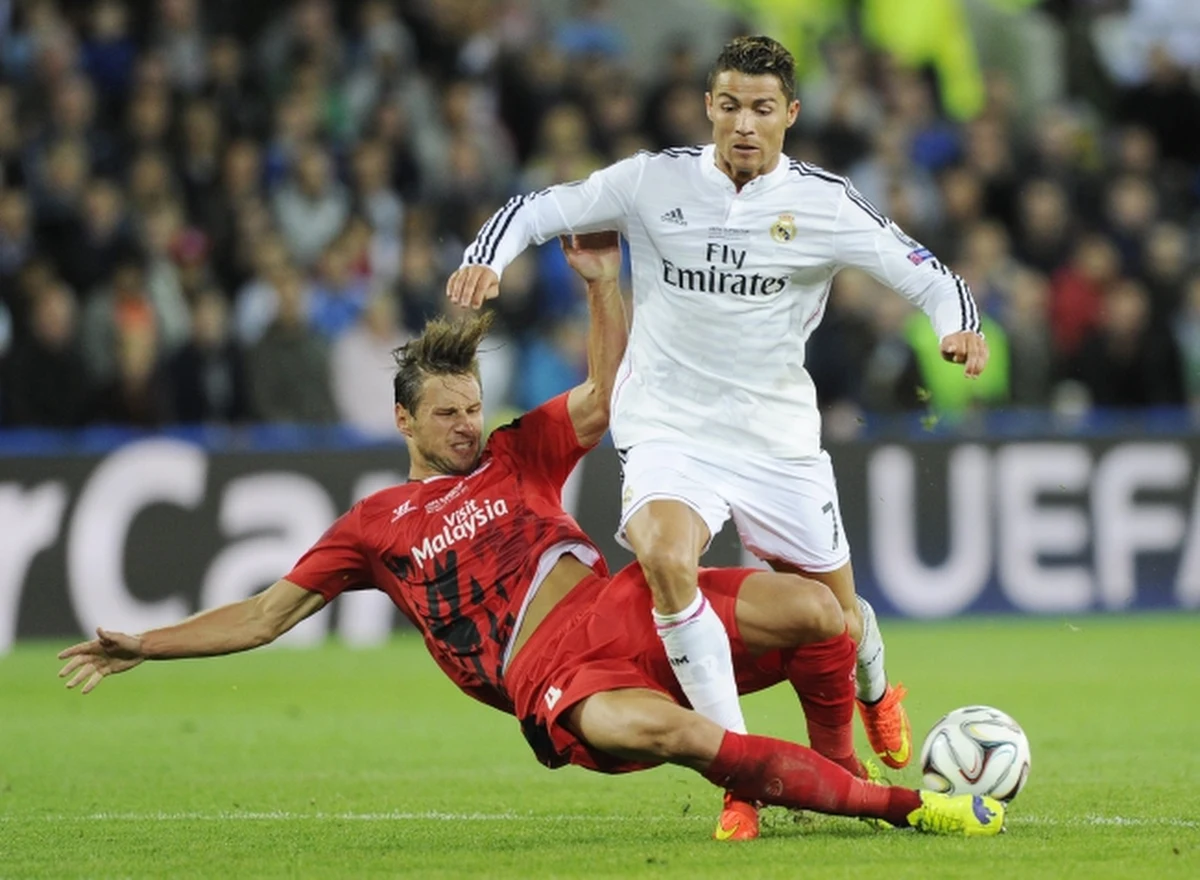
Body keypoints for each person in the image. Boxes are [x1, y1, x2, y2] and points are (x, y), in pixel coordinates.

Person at [57, 233, 1005, 841]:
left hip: (620, 604)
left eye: (473, 407)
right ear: (406, 422)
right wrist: (148, 642)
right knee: (677, 732)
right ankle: (911, 810)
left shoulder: (518, 452)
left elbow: (605, 396)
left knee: (817, 611)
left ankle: (833, 766)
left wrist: (602, 287)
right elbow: (265, 615)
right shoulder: (374, 528)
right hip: (552, 675)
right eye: (448, 414)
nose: (468, 425)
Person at [446, 35, 991, 835]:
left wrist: (957, 328)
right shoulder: (651, 181)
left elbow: (927, 273)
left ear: (790, 116)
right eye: (730, 105)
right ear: (709, 107)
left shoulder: (825, 202)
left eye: (762, 109)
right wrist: (486, 259)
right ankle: (739, 771)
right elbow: (540, 205)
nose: (744, 124)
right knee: (667, 557)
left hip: (777, 440)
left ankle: (874, 692)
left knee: (835, 623)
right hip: (671, 428)